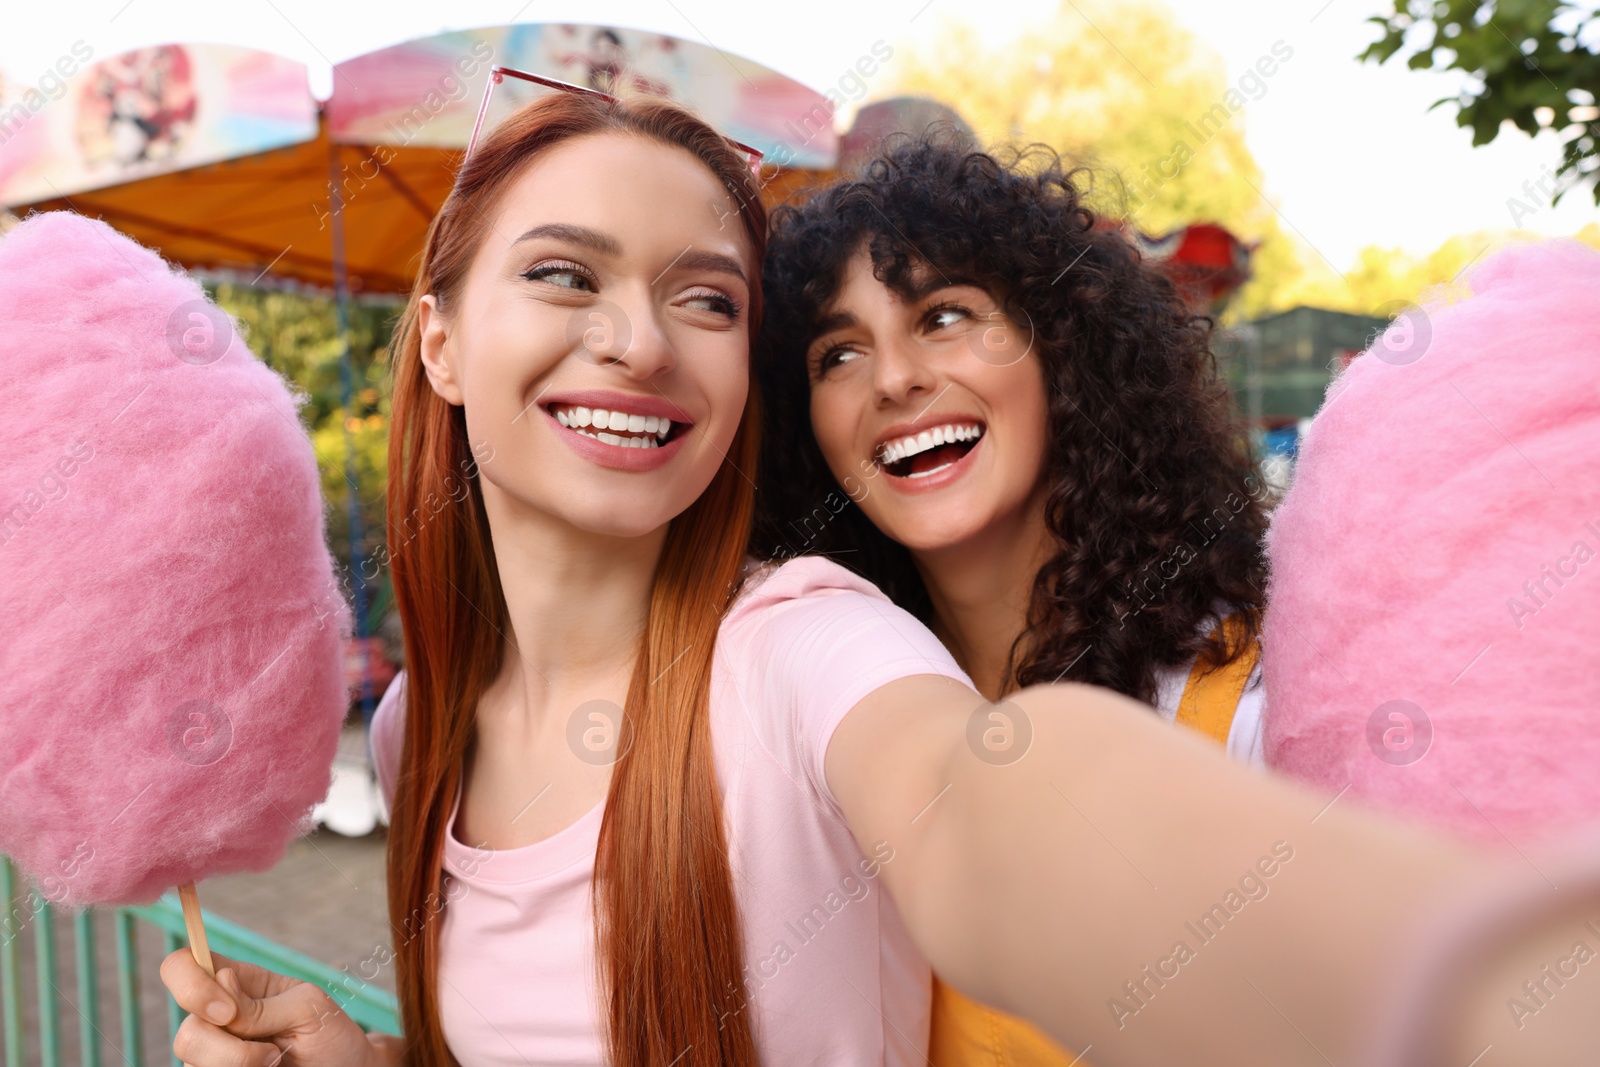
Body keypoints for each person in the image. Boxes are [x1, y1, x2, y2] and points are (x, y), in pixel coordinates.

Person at [159, 88, 1598, 1067]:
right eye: (563, 274)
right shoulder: (418, 731)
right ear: (439, 344)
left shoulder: (801, 647)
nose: (639, 342)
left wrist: (1477, 979)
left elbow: (1001, 810)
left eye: (705, 297)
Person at [752, 136, 1272, 1063]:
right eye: (838, 353)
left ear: (1062, 348)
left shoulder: (1254, 692)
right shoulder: (807, 729)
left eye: (944, 316)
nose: (896, 378)